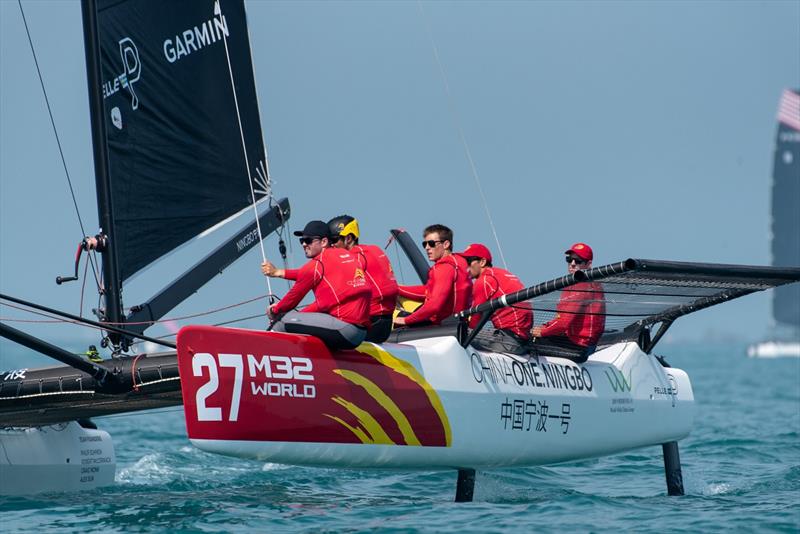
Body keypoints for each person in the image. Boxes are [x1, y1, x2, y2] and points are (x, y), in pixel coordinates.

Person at [261, 220, 371, 350]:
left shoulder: (317, 264)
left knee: (281, 321)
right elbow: (306, 276)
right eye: (301, 241)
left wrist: (274, 310)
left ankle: (261, 352)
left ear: (324, 242)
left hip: (345, 331)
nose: (303, 244)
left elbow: (292, 299)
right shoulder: (346, 255)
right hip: (360, 333)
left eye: (308, 240)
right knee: (298, 320)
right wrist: (279, 272)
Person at [326, 215, 398, 343]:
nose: (330, 245)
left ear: (348, 238)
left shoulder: (351, 257)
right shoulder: (374, 249)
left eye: (334, 240)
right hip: (385, 325)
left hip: (371, 326)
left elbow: (314, 275)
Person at [531, 242, 606, 363]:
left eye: (578, 261)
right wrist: (545, 327)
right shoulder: (587, 283)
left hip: (577, 347)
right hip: (578, 344)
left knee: (526, 342)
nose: (572, 264)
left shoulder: (581, 284)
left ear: (589, 264)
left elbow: (564, 322)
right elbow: (563, 319)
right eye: (569, 259)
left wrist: (542, 331)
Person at [457, 243, 533, 355]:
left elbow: (474, 321)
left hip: (509, 341)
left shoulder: (484, 280)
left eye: (468, 262)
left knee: (457, 334)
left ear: (482, 262)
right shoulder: (502, 273)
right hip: (523, 340)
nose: (465, 267)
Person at [394, 224, 472, 327]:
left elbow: (434, 305)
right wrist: (398, 289)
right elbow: (430, 290)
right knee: (399, 296)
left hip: (439, 327)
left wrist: (406, 320)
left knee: (391, 315)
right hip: (458, 323)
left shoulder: (444, 267)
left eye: (431, 243)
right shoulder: (459, 262)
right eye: (424, 244)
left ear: (446, 244)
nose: (427, 248)